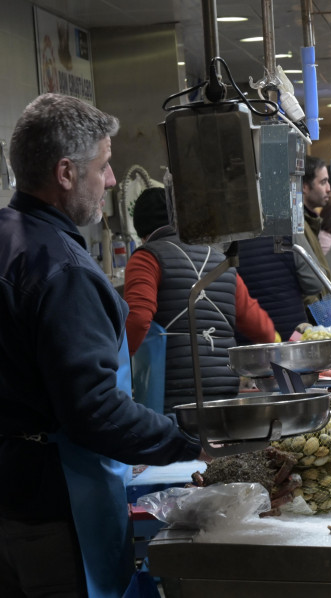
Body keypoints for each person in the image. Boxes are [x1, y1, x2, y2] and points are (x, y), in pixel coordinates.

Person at [0, 93, 204, 598]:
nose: (111, 182)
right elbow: (92, 409)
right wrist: (189, 441)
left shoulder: (7, 236)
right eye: (104, 166)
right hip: (56, 509)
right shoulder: (62, 268)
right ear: (66, 172)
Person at [124, 187, 278, 413]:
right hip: (225, 395)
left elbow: (137, 320)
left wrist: (116, 367)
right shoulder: (221, 262)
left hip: (173, 399)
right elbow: (264, 332)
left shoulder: (146, 258)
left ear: (142, 234)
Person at [300, 156, 331, 287]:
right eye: (323, 182)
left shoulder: (311, 221)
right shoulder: (299, 227)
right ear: (305, 187)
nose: (329, 189)